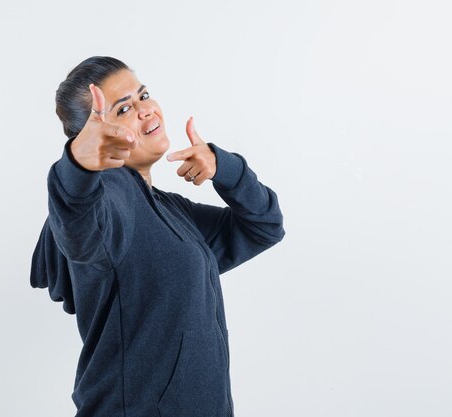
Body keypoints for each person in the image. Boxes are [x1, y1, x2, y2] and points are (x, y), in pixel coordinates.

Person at [30, 56, 285, 417]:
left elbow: (265, 225)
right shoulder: (111, 197)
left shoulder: (170, 210)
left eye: (143, 95)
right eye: (123, 109)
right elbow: (79, 225)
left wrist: (223, 166)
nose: (146, 110)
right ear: (95, 135)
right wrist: (78, 165)